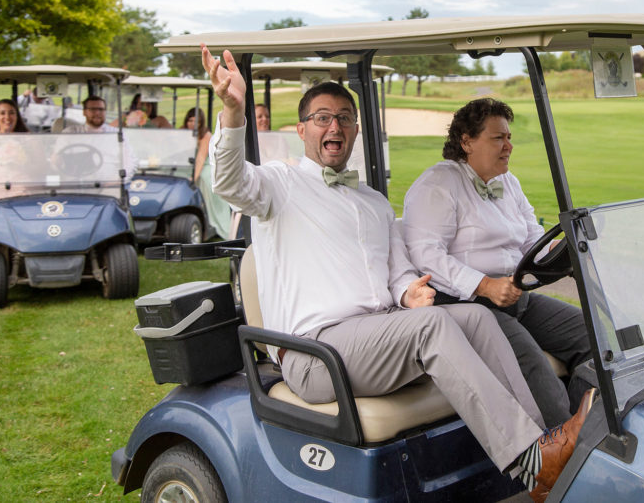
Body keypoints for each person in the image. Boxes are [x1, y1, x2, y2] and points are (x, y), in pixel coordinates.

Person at [202, 45, 594, 500]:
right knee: (433, 328)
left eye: (345, 118)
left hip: (375, 339)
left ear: (355, 129)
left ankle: (544, 449)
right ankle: (532, 459)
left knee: (477, 317)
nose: (335, 126)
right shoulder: (278, 186)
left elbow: (398, 272)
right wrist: (232, 112)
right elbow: (229, 180)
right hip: (316, 352)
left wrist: (409, 292)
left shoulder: (371, 202)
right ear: (302, 129)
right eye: (323, 117)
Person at [402, 98, 592, 428]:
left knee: (591, 334)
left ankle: (586, 430)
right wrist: (486, 285)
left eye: (508, 137)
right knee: (534, 366)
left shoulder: (508, 182)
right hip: (467, 304)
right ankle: (559, 455)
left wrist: (570, 256)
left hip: (514, 296)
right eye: (498, 138)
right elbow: (427, 255)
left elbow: (532, 237)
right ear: (466, 141)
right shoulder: (438, 185)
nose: (509, 146)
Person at [185, 106, 230, 238]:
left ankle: (212, 221)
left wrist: (194, 177)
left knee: (205, 178)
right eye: (190, 120)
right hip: (188, 165)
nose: (192, 124)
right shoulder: (184, 133)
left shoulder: (205, 136)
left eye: (195, 121)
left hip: (206, 165)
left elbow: (200, 158)